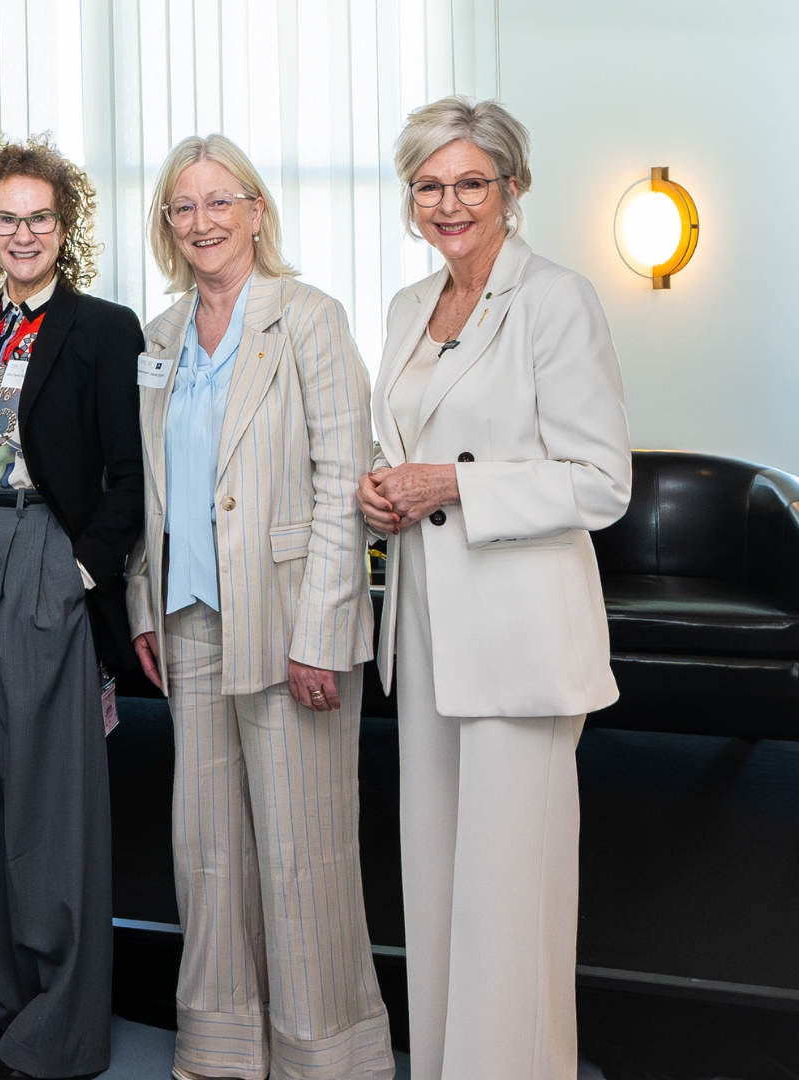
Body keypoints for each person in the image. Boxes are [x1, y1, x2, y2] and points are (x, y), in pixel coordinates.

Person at [357, 97, 629, 1080]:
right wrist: (385, 489)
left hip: (519, 635)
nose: (449, 202)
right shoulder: (403, 309)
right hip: (429, 625)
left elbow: (600, 482)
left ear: (513, 188)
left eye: (471, 181)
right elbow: (410, 451)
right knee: (438, 891)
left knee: (512, 903)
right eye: (429, 184)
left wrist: (453, 484)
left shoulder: (555, 298)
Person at [127, 134, 393, 1080]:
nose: (201, 222)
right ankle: (225, 1050)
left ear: (255, 210)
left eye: (218, 202)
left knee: (300, 854)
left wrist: (322, 631)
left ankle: (326, 1059)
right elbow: (152, 492)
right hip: (190, 620)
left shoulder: (309, 319)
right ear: (168, 225)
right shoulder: (159, 337)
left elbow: (342, 483)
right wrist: (144, 607)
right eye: (181, 207)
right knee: (207, 856)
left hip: (288, 628)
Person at [0, 136, 142, 1080]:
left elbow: (132, 476)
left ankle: (61, 1029)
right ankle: (6, 994)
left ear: (65, 227)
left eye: (39, 217)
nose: (22, 233)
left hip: (45, 547)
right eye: (5, 217)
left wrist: (81, 575)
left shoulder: (102, 327)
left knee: (52, 798)